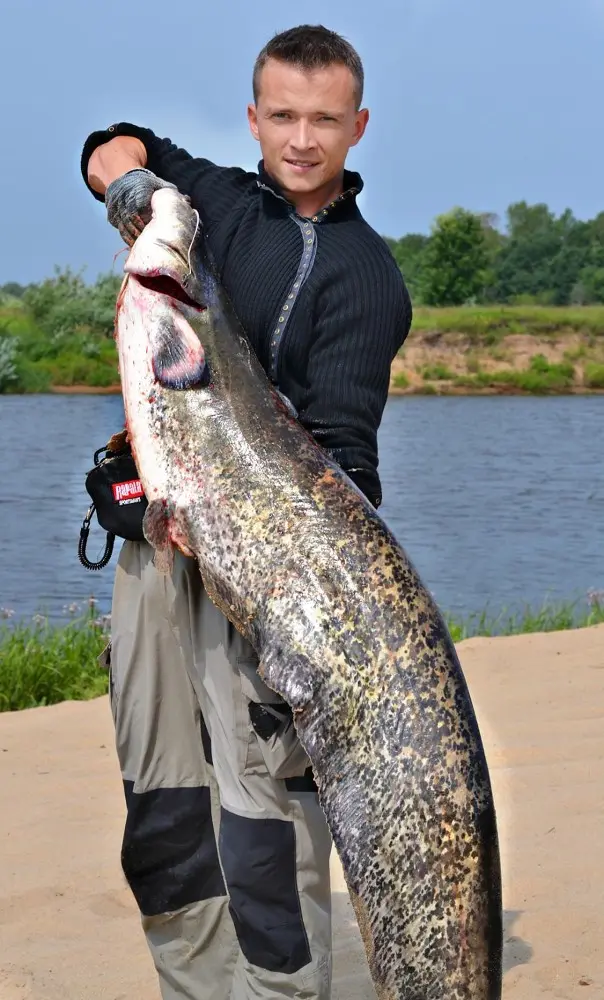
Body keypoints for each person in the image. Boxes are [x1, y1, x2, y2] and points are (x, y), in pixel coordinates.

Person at [80, 23, 412, 1000]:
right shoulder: (212, 201)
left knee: (261, 825)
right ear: (254, 116)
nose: (301, 139)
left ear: (358, 126)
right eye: (283, 115)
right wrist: (130, 186)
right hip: (153, 554)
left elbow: (345, 460)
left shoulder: (366, 277)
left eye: (324, 120)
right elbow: (111, 143)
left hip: (264, 579)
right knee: (165, 813)